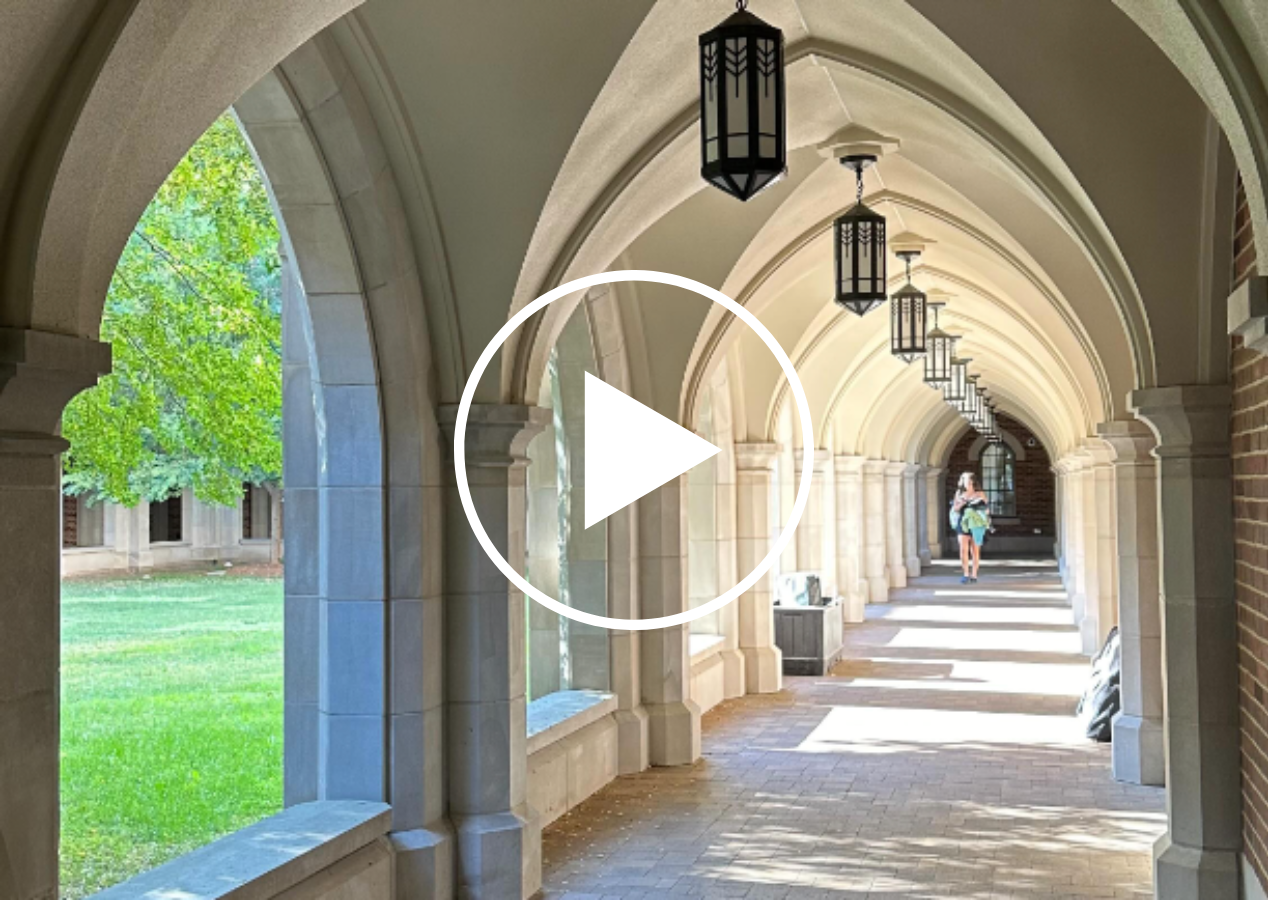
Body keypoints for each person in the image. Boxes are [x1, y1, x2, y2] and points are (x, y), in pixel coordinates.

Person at [950, 472, 991, 584]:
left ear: (972, 481)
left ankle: (974, 574)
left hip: (976, 524)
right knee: (963, 549)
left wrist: (979, 508)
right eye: (963, 480)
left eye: (967, 480)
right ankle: (965, 573)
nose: (965, 482)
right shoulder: (959, 493)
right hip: (963, 522)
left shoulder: (980, 493)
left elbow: (987, 510)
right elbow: (955, 508)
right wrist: (963, 502)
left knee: (975, 550)